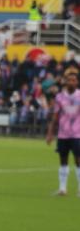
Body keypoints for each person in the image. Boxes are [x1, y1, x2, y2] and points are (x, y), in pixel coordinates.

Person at [45, 67, 80, 195]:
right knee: (63, 160)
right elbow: (55, 116)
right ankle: (62, 188)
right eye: (69, 80)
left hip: (77, 134)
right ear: (65, 82)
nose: (72, 82)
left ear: (77, 82)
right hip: (63, 134)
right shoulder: (60, 97)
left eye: (74, 80)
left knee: (78, 160)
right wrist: (50, 133)